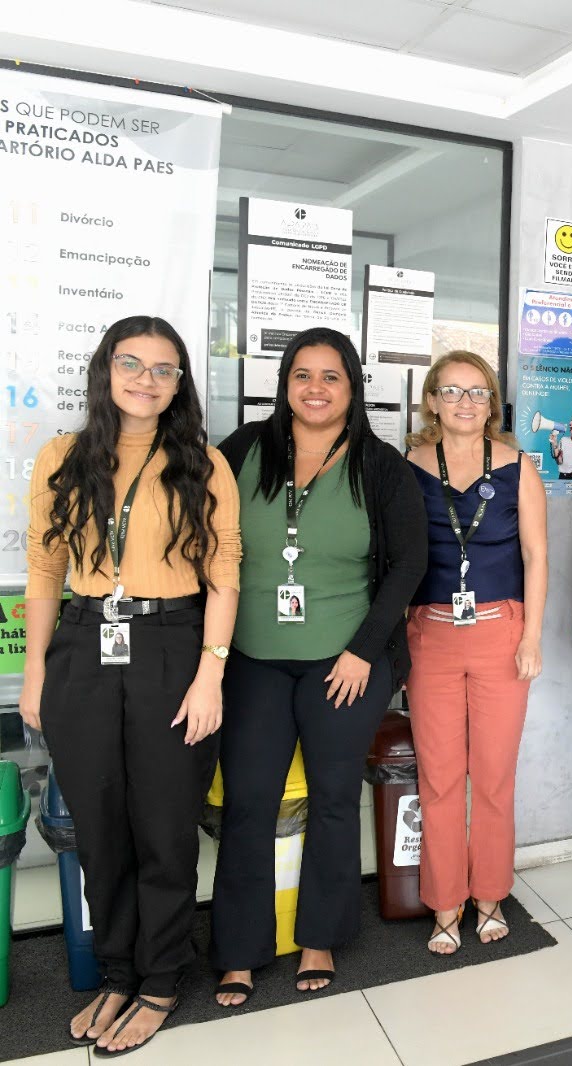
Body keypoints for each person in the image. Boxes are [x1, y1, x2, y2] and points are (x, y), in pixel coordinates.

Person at [22, 315, 240, 1055]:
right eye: (131, 363)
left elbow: (225, 577)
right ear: (104, 370)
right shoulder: (62, 455)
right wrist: (36, 676)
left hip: (173, 646)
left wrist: (211, 673)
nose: (146, 379)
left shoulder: (203, 464)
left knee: (164, 826)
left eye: (163, 368)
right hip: (84, 646)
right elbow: (46, 573)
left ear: (179, 384)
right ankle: (118, 969)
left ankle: (161, 978)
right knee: (101, 826)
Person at [211, 327, 427, 1003]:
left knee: (334, 800)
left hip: (346, 664)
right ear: (285, 384)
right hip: (252, 661)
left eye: (330, 376)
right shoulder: (245, 449)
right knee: (249, 802)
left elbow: (409, 565)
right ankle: (239, 951)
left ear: (353, 386)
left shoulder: (380, 464)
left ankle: (319, 939)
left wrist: (365, 650)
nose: (314, 388)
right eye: (302, 375)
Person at [405, 350, 548, 955]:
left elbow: (538, 557)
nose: (465, 403)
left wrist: (532, 637)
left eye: (477, 392)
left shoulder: (519, 467)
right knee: (439, 779)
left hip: (500, 630)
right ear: (432, 401)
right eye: (452, 391)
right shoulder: (407, 466)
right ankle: (444, 903)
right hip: (431, 634)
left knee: (492, 777)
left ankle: (489, 894)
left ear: (492, 403)